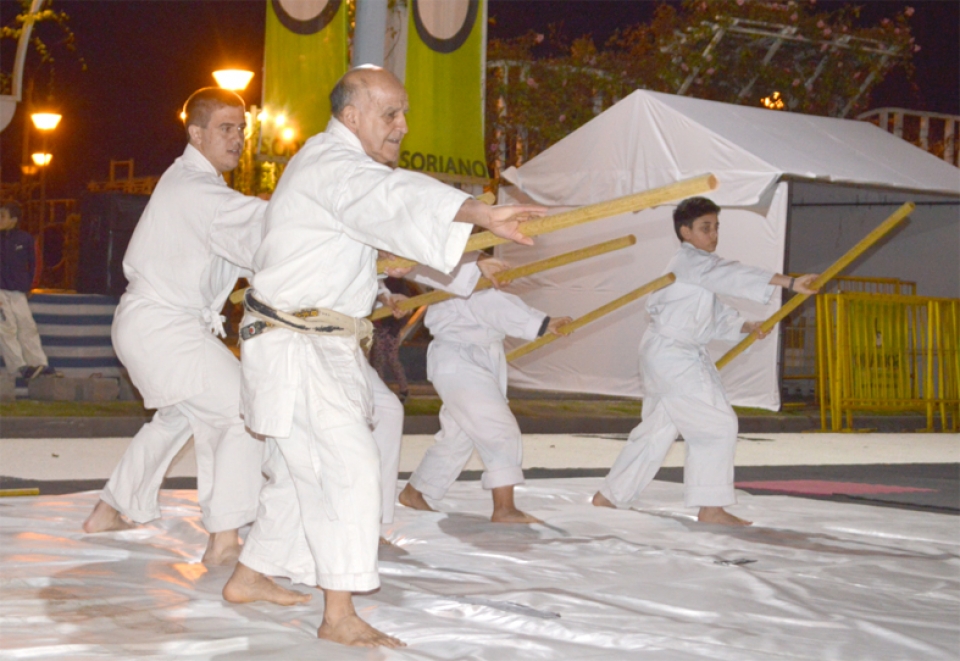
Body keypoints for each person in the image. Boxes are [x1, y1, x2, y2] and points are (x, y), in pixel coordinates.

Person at [221, 66, 543, 649]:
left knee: (299, 473)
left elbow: (384, 235)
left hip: (319, 342)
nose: (403, 125)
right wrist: (479, 213)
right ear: (351, 117)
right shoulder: (334, 165)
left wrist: (470, 256)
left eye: (404, 113)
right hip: (298, 345)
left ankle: (250, 575)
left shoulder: (340, 172)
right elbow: (393, 198)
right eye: (390, 113)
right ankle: (338, 614)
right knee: (347, 468)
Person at [82, 88, 268, 567]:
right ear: (196, 133)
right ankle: (224, 540)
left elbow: (251, 244)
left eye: (242, 129)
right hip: (163, 327)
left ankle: (110, 509)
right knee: (242, 412)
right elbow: (265, 228)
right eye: (225, 128)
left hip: (156, 325)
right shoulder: (197, 189)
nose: (238, 138)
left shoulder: (193, 184)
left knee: (178, 416)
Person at [592, 197, 818, 525]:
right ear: (685, 232)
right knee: (717, 425)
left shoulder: (695, 269)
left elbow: (711, 313)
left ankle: (610, 495)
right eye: (705, 228)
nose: (713, 235)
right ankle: (711, 507)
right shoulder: (689, 262)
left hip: (667, 353)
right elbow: (731, 273)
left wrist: (745, 326)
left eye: (716, 228)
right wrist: (791, 282)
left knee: (658, 430)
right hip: (673, 355)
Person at [399, 276, 571, 522]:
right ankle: (504, 509)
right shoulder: (462, 279)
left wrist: (541, 322)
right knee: (498, 429)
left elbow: (495, 303)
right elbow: (491, 304)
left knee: (459, 436)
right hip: (461, 362)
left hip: (463, 361)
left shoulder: (467, 280)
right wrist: (543, 324)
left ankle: (414, 492)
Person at [0, 202, 55, 379]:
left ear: (14, 220)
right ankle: (19, 367)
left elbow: (35, 262)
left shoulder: (25, 239)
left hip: (18, 292)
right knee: (6, 328)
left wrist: (32, 285)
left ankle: (38, 363)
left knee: (27, 326)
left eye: (2, 216)